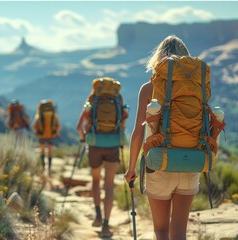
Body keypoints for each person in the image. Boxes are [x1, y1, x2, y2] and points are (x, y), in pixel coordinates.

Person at [124, 35, 199, 240]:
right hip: (191, 163)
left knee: (162, 231)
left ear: (158, 58)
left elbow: (138, 132)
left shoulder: (149, 88)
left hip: (159, 164)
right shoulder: (196, 88)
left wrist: (131, 170)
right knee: (179, 232)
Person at [76, 77, 128, 238]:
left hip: (95, 145)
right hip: (112, 145)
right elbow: (123, 124)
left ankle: (97, 215)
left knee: (96, 181)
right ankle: (106, 223)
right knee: (109, 184)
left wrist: (84, 138)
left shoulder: (92, 100)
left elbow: (80, 127)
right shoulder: (117, 100)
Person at [32, 99, 61, 175]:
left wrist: (37, 132)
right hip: (51, 136)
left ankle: (43, 167)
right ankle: (49, 169)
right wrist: (57, 133)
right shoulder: (53, 115)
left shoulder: (38, 115)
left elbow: (33, 126)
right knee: (50, 152)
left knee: (42, 152)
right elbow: (58, 126)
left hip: (41, 136)